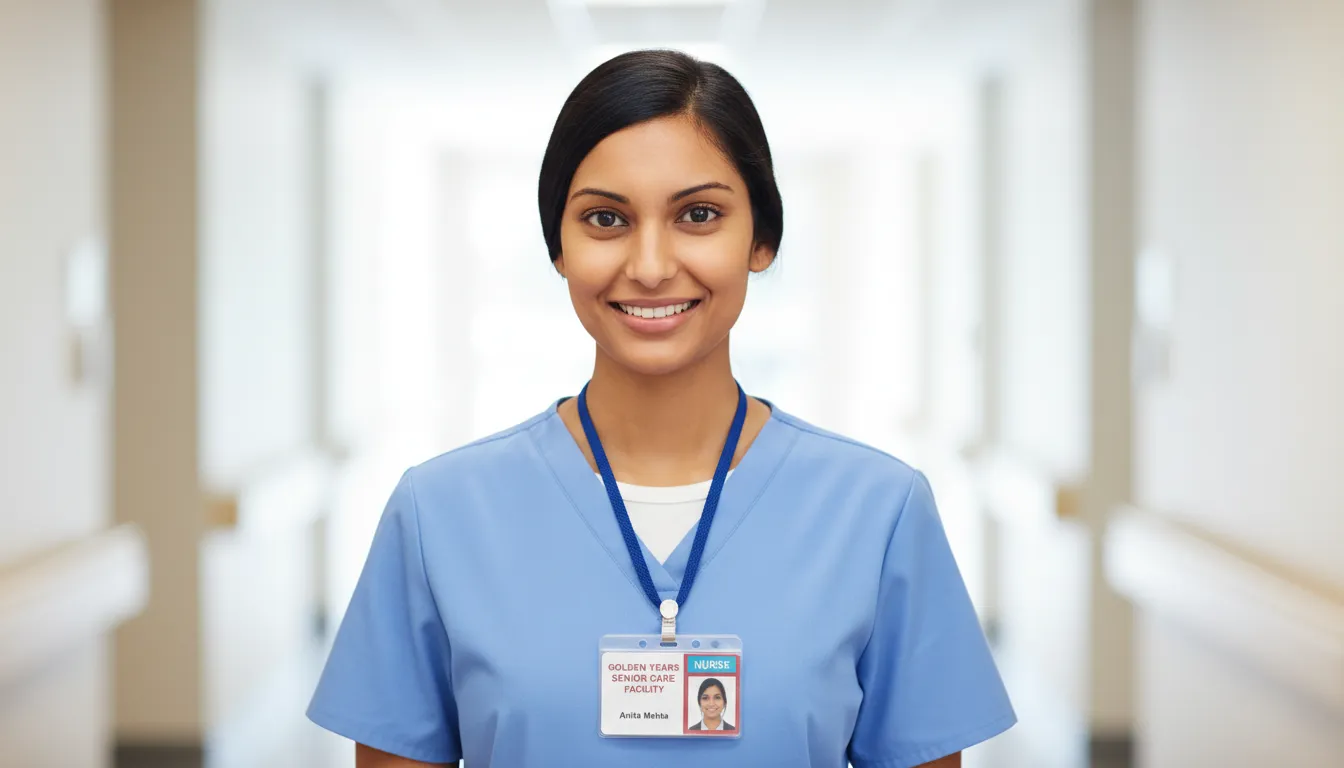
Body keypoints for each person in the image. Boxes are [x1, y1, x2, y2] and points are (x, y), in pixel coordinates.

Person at [306, 49, 1015, 768]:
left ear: (761, 240)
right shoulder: (440, 514)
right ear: (559, 246)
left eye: (698, 215)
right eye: (606, 219)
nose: (648, 265)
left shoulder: (877, 513)